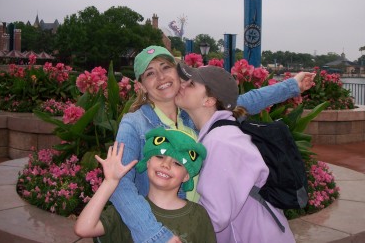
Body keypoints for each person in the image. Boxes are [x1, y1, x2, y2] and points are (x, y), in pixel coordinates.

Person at [110, 45, 314, 242]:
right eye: (150, 73)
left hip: (198, 229)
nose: (161, 77)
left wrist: (291, 86)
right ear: (141, 85)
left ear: (177, 73)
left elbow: (236, 101)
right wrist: (156, 235)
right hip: (167, 230)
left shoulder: (193, 117)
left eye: (166, 67)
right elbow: (120, 183)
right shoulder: (135, 124)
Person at [175, 63, 296, 242]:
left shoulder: (220, 141)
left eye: (191, 84)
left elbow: (214, 217)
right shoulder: (220, 133)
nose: (181, 85)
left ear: (209, 101)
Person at [74, 127, 216, 243]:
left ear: (186, 176)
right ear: (147, 162)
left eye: (177, 163)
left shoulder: (198, 216)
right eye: (159, 156)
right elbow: (83, 228)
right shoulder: (130, 211)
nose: (165, 165)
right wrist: (110, 182)